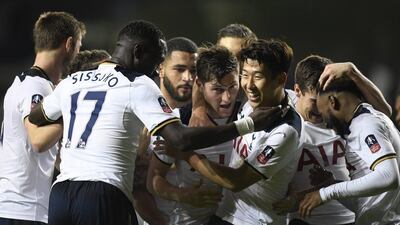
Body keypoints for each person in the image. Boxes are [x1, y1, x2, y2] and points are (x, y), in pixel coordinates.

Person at [26, 20, 284, 225]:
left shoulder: (74, 81)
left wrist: (75, 113)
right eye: (157, 58)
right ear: (139, 52)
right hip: (103, 192)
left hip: (60, 196)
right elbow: (180, 139)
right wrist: (249, 125)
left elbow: (37, 116)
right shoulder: (138, 84)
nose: (157, 67)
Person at [163, 39, 301, 225]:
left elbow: (236, 181)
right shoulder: (253, 101)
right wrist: (198, 107)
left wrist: (186, 154)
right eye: (244, 75)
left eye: (258, 77)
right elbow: (208, 75)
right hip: (225, 215)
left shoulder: (285, 131)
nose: (249, 85)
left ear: (281, 79)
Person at [273, 55, 393, 225]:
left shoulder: (339, 114)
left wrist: (352, 72)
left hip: (349, 217)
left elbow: (383, 113)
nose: (321, 108)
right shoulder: (284, 115)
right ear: (297, 91)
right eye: (314, 101)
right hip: (304, 220)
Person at [0, 11, 85, 225]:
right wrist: (76, 112)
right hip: (24, 210)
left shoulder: (23, 83)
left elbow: (47, 154)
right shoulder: (35, 86)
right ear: (69, 44)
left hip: (18, 207)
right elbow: (37, 141)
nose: (78, 52)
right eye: (79, 46)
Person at [147, 45, 241, 224]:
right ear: (199, 85)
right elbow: (153, 179)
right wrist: (184, 196)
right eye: (218, 89)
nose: (227, 98)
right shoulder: (179, 122)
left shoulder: (247, 113)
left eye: (232, 87)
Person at [132, 37, 198, 225]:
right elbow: (136, 190)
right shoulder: (140, 116)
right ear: (161, 68)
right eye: (179, 69)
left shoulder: (192, 117)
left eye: (193, 71)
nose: (188, 78)